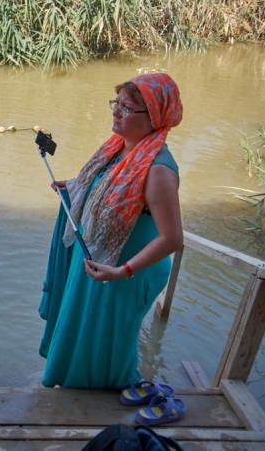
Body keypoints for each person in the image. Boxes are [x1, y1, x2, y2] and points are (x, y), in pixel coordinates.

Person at [39, 72, 184, 390]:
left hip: (127, 269)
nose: (116, 111)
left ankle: (102, 410)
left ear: (153, 117)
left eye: (127, 107)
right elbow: (111, 189)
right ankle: (75, 390)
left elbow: (172, 238)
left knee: (108, 344)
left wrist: (123, 271)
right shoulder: (119, 147)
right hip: (97, 257)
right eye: (116, 103)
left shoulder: (158, 169)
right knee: (84, 331)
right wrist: (78, 186)